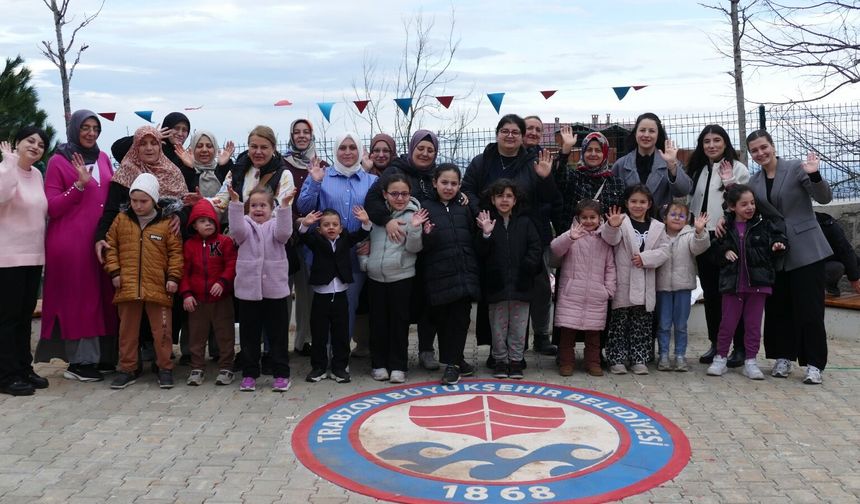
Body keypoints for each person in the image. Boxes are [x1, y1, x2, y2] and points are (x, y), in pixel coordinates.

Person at [462, 114, 562, 358]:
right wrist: (482, 215)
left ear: (521, 136)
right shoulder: (481, 161)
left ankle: (524, 346)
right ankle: (496, 351)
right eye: (505, 131)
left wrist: (545, 177)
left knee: (528, 289)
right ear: (497, 134)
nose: (510, 135)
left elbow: (550, 198)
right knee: (495, 293)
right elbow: (468, 191)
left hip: (524, 234)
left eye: (515, 132)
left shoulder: (533, 163)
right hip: (489, 232)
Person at [36, 110, 118, 381]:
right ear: (74, 129)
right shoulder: (59, 161)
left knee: (103, 298)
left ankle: (103, 357)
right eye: (85, 127)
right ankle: (80, 363)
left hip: (100, 241)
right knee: (79, 301)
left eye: (95, 127)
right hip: (70, 244)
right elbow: (53, 207)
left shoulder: (104, 158)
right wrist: (79, 186)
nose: (91, 132)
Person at [746, 130, 833, 384]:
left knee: (810, 310)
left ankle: (815, 364)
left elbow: (824, 198)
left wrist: (814, 174)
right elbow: (748, 210)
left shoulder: (796, 168)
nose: (760, 153)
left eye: (764, 147)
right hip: (777, 251)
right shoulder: (754, 182)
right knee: (779, 308)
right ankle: (782, 357)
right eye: (754, 150)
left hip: (807, 249)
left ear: (772, 146)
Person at [364, 130, 444, 370]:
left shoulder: (435, 175)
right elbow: (372, 200)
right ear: (412, 148)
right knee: (393, 313)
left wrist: (461, 197)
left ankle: (426, 350)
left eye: (430, 150)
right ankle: (385, 357)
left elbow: (446, 193)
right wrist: (387, 220)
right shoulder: (395, 171)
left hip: (426, 247)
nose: (425, 153)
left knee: (427, 301)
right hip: (396, 251)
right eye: (421, 148)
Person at [298, 133, 377, 356]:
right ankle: (324, 355)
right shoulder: (322, 176)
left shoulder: (371, 181)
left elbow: (378, 214)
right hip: (323, 256)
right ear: (335, 150)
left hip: (355, 255)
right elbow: (304, 206)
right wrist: (314, 182)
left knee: (347, 307)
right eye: (342, 147)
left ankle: (340, 356)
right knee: (324, 309)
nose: (348, 152)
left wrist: (370, 239)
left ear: (360, 150)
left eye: (353, 147)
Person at [103, 173, 184, 390]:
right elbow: (111, 248)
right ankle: (128, 368)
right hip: (127, 285)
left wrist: (173, 277)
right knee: (127, 332)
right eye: (134, 200)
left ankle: (165, 367)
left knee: (163, 331)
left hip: (158, 286)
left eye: (143, 201)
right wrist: (114, 272)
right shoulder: (121, 220)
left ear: (154, 200)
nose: (138, 206)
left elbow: (176, 253)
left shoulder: (167, 223)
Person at [685, 124, 750, 366]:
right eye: (707, 141)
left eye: (717, 140)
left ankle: (740, 347)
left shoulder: (738, 168)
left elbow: (745, 203)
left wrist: (729, 217)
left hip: (728, 237)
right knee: (711, 295)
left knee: (733, 294)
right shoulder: (698, 170)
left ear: (725, 142)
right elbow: (692, 203)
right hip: (703, 238)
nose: (711, 145)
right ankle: (716, 344)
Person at [707, 184, 787, 379]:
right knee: (727, 323)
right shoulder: (725, 226)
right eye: (744, 204)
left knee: (753, 325)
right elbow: (715, 251)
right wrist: (725, 252)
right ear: (732, 207)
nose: (750, 207)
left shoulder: (764, 224)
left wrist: (778, 245)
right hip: (732, 285)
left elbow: (779, 239)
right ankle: (720, 358)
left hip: (759, 285)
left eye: (752, 203)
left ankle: (751, 361)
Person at [359, 174, 426, 383]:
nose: (399, 198)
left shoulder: (413, 215)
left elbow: (415, 248)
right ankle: (379, 364)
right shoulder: (376, 215)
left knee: (399, 323)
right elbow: (363, 243)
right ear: (385, 194)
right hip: (375, 276)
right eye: (394, 193)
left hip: (402, 277)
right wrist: (365, 263)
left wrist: (415, 229)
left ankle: (398, 365)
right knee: (378, 323)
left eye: (404, 193)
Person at [228, 185, 294, 392]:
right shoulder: (245, 226)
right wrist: (236, 203)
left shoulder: (276, 225)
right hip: (249, 292)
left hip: (275, 291)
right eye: (254, 205)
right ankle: (249, 374)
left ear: (271, 207)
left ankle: (281, 374)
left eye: (263, 205)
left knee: (278, 336)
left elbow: (285, 234)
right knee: (249, 337)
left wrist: (284, 207)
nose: (258, 209)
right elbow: (236, 230)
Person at [476, 179, 544, 380]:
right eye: (500, 196)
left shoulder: (525, 222)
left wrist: (528, 267)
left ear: (515, 200)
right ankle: (500, 360)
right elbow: (480, 251)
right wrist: (485, 234)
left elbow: (536, 247)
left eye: (508, 196)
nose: (504, 200)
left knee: (519, 326)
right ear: (492, 199)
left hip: (521, 285)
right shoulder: (486, 221)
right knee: (498, 326)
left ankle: (515, 360)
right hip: (496, 285)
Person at [421, 164, 481, 385]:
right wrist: (427, 236)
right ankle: (452, 362)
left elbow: (474, 234)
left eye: (454, 183)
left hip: (465, 273)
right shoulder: (425, 207)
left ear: (460, 186)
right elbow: (423, 246)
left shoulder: (464, 207)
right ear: (435, 183)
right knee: (446, 322)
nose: (448, 187)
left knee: (462, 320)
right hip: (440, 275)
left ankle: (455, 362)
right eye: (444, 182)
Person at [0, 128, 49, 396]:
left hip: (33, 256)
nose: (35, 146)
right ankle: (6, 375)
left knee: (23, 318)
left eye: (41, 144)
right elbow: (2, 196)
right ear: (17, 143)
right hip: (7, 258)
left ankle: (23, 368)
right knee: (7, 319)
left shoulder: (37, 174)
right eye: (30, 141)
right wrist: (8, 163)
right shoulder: (4, 169)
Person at [602, 185, 670, 375]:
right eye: (633, 201)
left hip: (646, 280)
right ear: (626, 203)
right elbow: (609, 240)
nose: (637, 205)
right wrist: (612, 226)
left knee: (642, 323)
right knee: (619, 322)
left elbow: (665, 251)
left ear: (649, 204)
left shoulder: (658, 226)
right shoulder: (620, 222)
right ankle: (616, 359)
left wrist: (646, 258)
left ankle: (639, 358)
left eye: (642, 202)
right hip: (624, 280)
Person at [300, 207, 371, 384]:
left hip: (340, 295)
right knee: (319, 334)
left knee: (341, 333)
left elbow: (360, 235)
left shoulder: (345, 239)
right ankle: (319, 367)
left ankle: (340, 367)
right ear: (319, 229)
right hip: (321, 296)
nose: (331, 228)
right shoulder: (316, 240)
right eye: (326, 225)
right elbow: (303, 237)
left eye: (334, 224)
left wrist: (365, 222)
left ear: (340, 228)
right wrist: (304, 224)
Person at [550, 199, 616, 377]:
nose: (588, 221)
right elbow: (555, 250)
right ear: (577, 218)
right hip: (571, 294)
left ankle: (593, 363)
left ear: (599, 218)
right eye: (584, 217)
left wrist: (608, 290)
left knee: (594, 336)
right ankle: (566, 363)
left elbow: (610, 267)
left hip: (596, 295)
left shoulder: (605, 240)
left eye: (592, 217)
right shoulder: (571, 236)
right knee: (567, 334)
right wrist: (569, 237)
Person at [180, 199, 237, 386]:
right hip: (197, 300)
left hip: (221, 299)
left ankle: (227, 367)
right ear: (194, 225)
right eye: (203, 221)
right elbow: (183, 271)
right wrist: (186, 293)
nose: (208, 224)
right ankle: (197, 367)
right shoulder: (189, 246)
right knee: (196, 335)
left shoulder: (224, 242)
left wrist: (223, 282)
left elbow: (231, 265)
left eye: (211, 221)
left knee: (225, 333)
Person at [283, 118, 326, 356]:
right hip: (287, 235)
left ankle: (304, 340)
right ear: (291, 135)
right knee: (283, 290)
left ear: (311, 136)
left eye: (305, 132)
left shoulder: (321, 164)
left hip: (310, 236)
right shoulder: (281, 164)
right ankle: (280, 340)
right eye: (297, 132)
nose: (301, 136)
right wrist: (292, 220)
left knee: (307, 292)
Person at [655, 202, 710, 372]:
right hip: (662, 287)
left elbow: (699, 247)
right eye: (673, 214)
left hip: (683, 287)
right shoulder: (658, 235)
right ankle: (663, 355)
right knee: (663, 324)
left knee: (681, 325)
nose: (677, 218)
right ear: (664, 218)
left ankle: (680, 355)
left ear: (687, 220)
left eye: (681, 216)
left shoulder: (690, 235)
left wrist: (700, 231)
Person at [612, 112, 691, 216]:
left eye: (652, 131)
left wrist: (672, 166)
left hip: (661, 225)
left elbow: (683, 191)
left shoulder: (670, 162)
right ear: (635, 133)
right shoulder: (620, 164)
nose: (646, 135)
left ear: (658, 135)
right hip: (628, 226)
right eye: (642, 130)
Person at [553, 127, 626, 231]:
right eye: (589, 150)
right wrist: (566, 150)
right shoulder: (574, 177)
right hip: (574, 241)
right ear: (583, 152)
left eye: (598, 150)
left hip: (605, 242)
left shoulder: (616, 183)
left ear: (605, 153)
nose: (593, 154)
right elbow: (558, 176)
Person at [111, 112, 194, 190]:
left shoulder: (184, 158)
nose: (180, 133)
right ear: (167, 127)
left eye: (184, 130)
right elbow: (116, 148)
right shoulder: (150, 151)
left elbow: (185, 187)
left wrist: (190, 168)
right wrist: (150, 135)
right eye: (176, 128)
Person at [173, 130, 235, 198]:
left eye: (209, 146)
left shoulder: (221, 170)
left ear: (215, 149)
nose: (204, 150)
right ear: (193, 148)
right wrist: (188, 168)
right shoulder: (185, 171)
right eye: (199, 146)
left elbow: (233, 189)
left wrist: (224, 166)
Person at [816, 212, 860, 296]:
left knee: (854, 262)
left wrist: (854, 278)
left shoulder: (828, 224)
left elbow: (846, 251)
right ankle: (822, 289)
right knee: (837, 267)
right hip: (809, 269)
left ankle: (831, 288)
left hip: (830, 259)